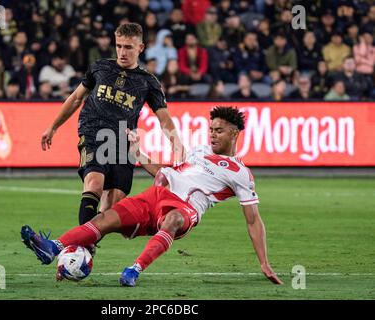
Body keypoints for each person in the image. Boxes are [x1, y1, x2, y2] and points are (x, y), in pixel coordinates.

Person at [21, 106, 283, 287]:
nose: (213, 134)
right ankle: (52, 247)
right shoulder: (199, 151)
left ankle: (133, 270)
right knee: (106, 219)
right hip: (156, 194)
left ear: (235, 134)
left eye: (220, 130)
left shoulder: (240, 173)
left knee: (172, 221)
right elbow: (166, 172)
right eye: (211, 129)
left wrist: (264, 262)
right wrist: (137, 153)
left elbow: (253, 220)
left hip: (185, 209)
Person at [40, 23, 185, 240]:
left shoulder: (148, 82)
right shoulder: (100, 67)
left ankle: (84, 243)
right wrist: (53, 126)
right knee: (94, 183)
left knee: (111, 205)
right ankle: (79, 247)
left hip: (123, 141)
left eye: (128, 47)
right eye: (118, 46)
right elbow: (76, 98)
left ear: (141, 48)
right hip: (93, 133)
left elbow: (163, 118)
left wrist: (177, 144)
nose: (122, 52)